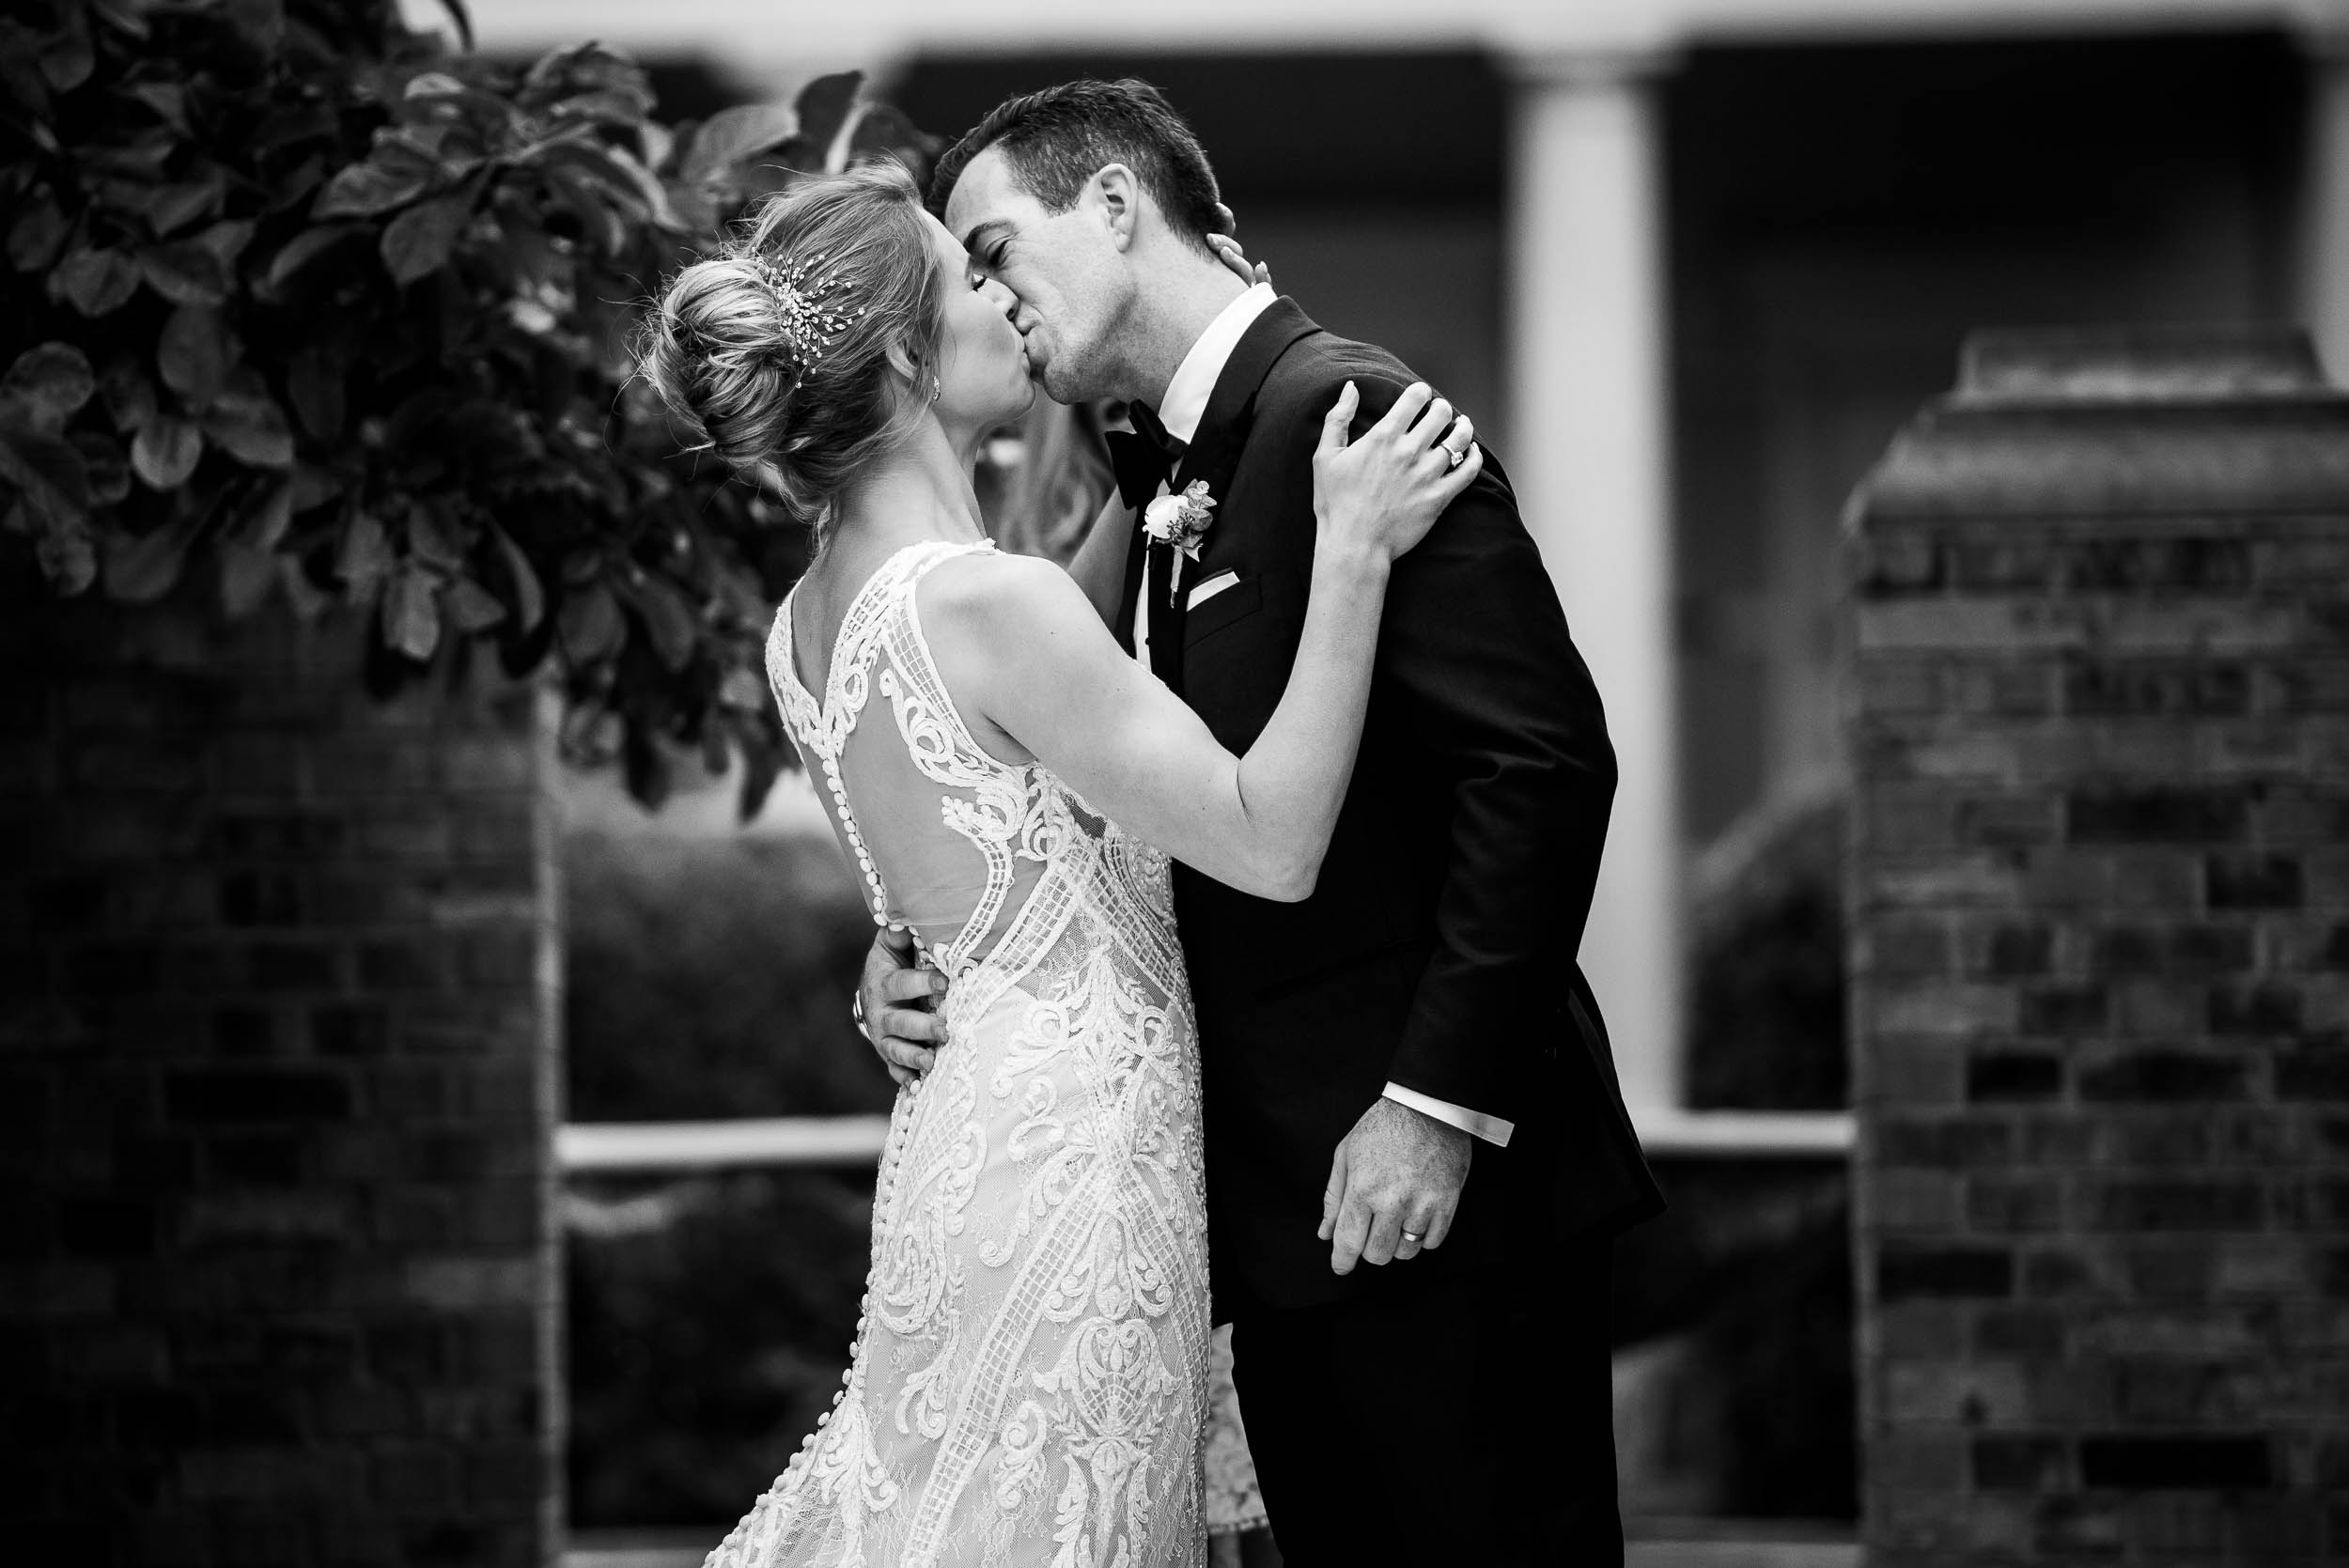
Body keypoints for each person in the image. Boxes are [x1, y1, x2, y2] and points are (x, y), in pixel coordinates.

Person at [861, 80, 1668, 1566]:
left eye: (994, 248)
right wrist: (918, 941)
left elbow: (1542, 767)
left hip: (1434, 1211)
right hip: (1270, 1222)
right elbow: (1058, 796)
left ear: (1114, 208)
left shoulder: (1347, 417)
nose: (986, 295)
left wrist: (1435, 1107)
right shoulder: (1163, 473)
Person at [642, 159, 1481, 1567]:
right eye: (970, 274)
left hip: (968, 1141)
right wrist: (1349, 557)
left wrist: (885, 969)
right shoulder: (994, 603)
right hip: (1081, 1166)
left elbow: (982, 834)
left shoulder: (802, 628)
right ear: (908, 353)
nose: (1004, 292)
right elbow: (1267, 840)